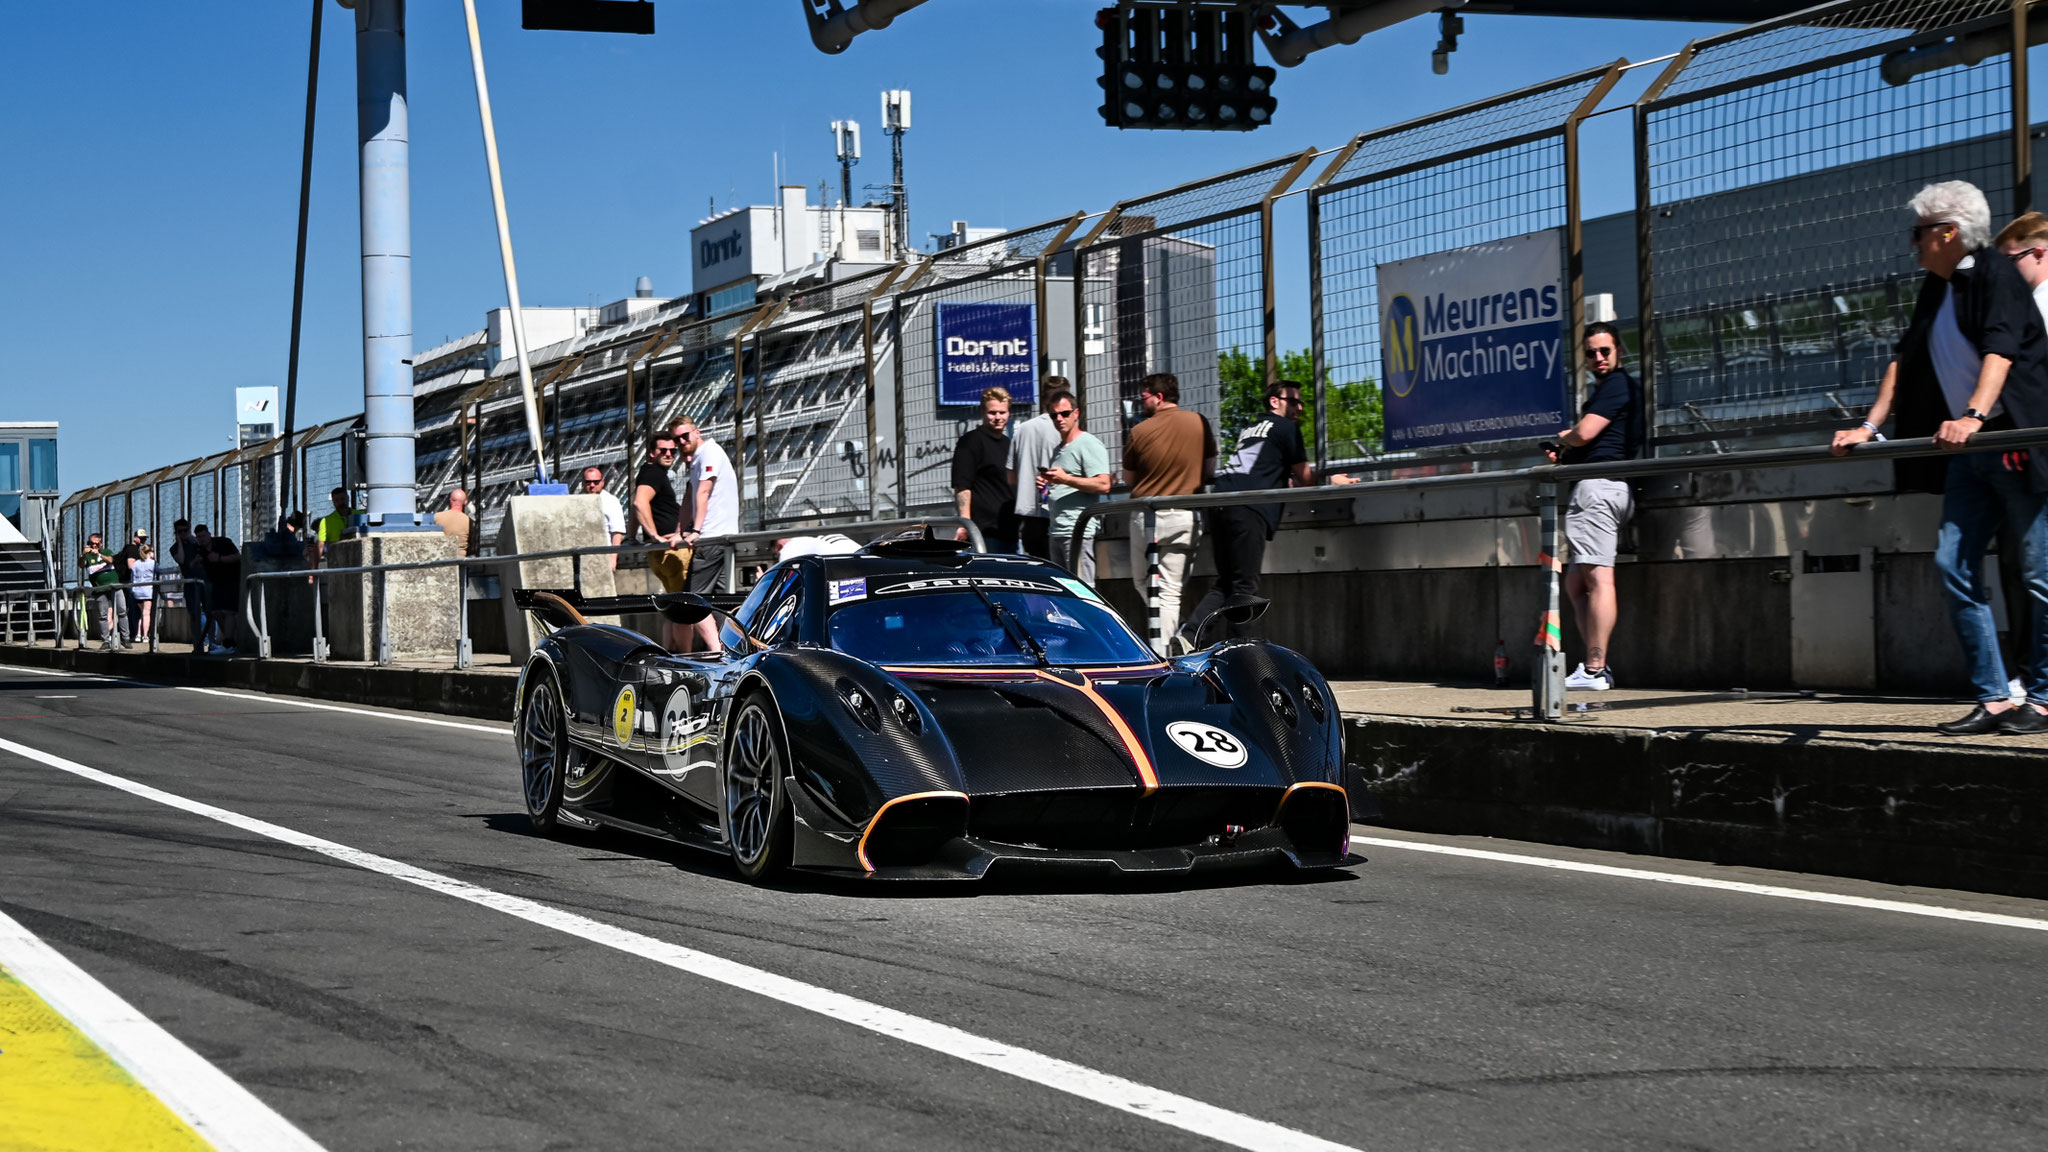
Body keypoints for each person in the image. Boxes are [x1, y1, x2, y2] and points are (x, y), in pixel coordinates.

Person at [1833, 180, 2048, 735]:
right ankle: (1995, 697)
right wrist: (1867, 425)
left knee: (2038, 574)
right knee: (1953, 565)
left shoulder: (1996, 276)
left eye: (1919, 233)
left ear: (1947, 231)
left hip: (2009, 440)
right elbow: (1904, 359)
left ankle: (2044, 698)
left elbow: (2000, 351)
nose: (1914, 244)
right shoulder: (1936, 286)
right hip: (1967, 454)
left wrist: (1974, 416)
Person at [1543, 321, 1644, 692]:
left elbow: (1585, 433)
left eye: (1605, 350)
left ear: (1618, 351)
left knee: (1599, 578)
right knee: (1575, 582)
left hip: (1599, 489)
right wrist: (1566, 453)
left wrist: (1562, 437)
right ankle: (1594, 664)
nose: (1598, 357)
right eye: (1591, 352)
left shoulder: (1617, 385)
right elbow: (1592, 442)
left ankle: (1596, 668)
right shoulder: (1613, 389)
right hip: (1605, 486)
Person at [1178, 381, 1311, 651]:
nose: (1300, 406)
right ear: (1275, 401)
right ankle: (1246, 650)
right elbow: (1305, 476)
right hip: (1248, 506)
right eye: (1294, 401)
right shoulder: (1287, 428)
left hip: (1220, 503)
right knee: (1244, 585)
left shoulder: (1250, 428)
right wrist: (1334, 479)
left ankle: (1189, 635)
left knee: (1226, 582)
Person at [1122, 373, 1216, 653]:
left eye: (1145, 396)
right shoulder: (1200, 422)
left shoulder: (1139, 431)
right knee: (1171, 590)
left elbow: (1128, 480)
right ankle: (1171, 639)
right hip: (1186, 514)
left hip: (1148, 517)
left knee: (1143, 582)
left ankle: (1162, 650)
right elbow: (1209, 470)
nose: (1143, 401)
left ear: (1158, 397)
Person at [672, 418, 741, 651]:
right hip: (721, 539)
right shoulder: (698, 460)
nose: (681, 442)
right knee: (721, 603)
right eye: (677, 439)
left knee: (690, 602)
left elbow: (703, 492)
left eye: (685, 436)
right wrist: (679, 531)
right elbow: (689, 496)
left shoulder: (709, 453)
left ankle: (714, 652)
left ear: (697, 432)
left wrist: (695, 531)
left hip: (712, 537)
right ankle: (731, 650)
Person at [1040, 389, 1112, 584]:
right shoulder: (1059, 448)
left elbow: (1104, 484)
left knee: (1082, 590)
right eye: (1054, 415)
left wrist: (1065, 479)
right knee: (1064, 591)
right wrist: (1047, 484)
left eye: (1065, 413)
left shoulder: (1087, 443)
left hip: (1077, 531)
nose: (1059, 419)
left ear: (1076, 414)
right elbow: (1064, 483)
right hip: (1057, 530)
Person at [632, 434, 691, 650]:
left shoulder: (648, 474)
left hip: (660, 553)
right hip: (671, 550)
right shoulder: (654, 472)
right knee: (684, 608)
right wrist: (655, 535)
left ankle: (670, 653)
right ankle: (685, 658)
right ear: (651, 453)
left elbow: (635, 506)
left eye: (672, 451)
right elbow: (639, 504)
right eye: (663, 450)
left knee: (672, 607)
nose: (668, 454)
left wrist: (633, 535)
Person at [1006, 375, 1068, 560]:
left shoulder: (1023, 429)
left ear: (1042, 398)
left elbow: (1011, 477)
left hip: (1029, 513)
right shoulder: (1065, 428)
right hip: (1058, 513)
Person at [950, 386, 1019, 552]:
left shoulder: (1008, 444)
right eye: (992, 412)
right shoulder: (971, 441)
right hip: (983, 532)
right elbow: (962, 485)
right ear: (982, 412)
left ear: (1009, 413)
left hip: (1010, 530)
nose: (997, 417)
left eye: (1002, 412)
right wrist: (965, 523)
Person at [195, 525, 241, 655]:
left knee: (229, 611)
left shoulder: (223, 542)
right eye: (199, 537)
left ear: (209, 534)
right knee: (215, 612)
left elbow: (238, 556)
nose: (202, 539)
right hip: (217, 582)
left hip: (232, 579)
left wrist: (220, 558)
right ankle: (230, 641)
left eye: (203, 536)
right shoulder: (200, 550)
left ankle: (229, 644)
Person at [78, 532, 122, 650]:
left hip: (113, 587)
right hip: (100, 589)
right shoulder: (87, 556)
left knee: (120, 612)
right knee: (104, 615)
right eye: (91, 544)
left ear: (100, 544)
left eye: (96, 544)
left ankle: (123, 637)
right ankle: (106, 640)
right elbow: (81, 565)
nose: (93, 546)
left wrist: (99, 554)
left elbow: (111, 560)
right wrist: (82, 555)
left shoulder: (106, 552)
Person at [171, 519, 209, 648]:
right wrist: (180, 542)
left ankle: (211, 642)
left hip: (205, 580)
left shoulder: (198, 543)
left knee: (210, 612)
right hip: (190, 582)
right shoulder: (175, 548)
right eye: (179, 531)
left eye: (185, 530)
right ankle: (198, 642)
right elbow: (181, 559)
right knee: (194, 613)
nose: (183, 533)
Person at [582, 466, 627, 569]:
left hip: (604, 555)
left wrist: (613, 558)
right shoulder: (580, 501)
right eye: (588, 482)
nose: (592, 485)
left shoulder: (611, 501)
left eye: (596, 482)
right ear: (583, 483)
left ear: (602, 482)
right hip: (584, 556)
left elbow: (617, 532)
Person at [313, 487, 361, 568]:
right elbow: (320, 546)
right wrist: (314, 569)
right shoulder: (326, 521)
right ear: (333, 502)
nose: (340, 502)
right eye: (337, 500)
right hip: (337, 563)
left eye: (342, 499)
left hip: (357, 561)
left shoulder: (360, 515)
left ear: (347, 498)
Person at [115, 529, 145, 642]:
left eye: (144, 538)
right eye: (141, 538)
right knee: (132, 609)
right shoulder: (133, 550)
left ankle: (127, 633)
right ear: (135, 538)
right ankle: (132, 633)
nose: (143, 540)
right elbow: (131, 565)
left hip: (123, 581)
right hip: (128, 582)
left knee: (125, 609)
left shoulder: (128, 548)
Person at [433, 488, 474, 557]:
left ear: (450, 500)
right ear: (465, 502)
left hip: (441, 558)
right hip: (460, 559)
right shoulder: (469, 521)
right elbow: (472, 545)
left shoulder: (436, 517)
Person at [130, 544, 157, 643]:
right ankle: (145, 636)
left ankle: (138, 634)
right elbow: (159, 572)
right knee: (146, 613)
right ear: (149, 552)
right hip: (148, 591)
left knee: (142, 613)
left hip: (137, 591)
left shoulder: (136, 563)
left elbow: (133, 577)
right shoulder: (152, 563)